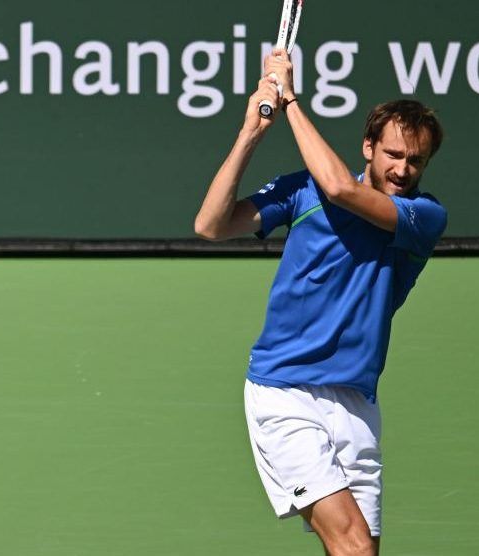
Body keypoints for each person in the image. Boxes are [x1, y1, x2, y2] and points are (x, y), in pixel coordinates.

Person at [193, 49, 447, 556]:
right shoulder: (299, 192)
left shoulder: (422, 216)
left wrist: (288, 99)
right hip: (284, 391)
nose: (402, 169)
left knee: (358, 551)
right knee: (352, 544)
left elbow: (339, 187)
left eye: (414, 160)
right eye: (393, 154)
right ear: (368, 147)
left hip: (355, 401)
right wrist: (250, 134)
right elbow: (211, 224)